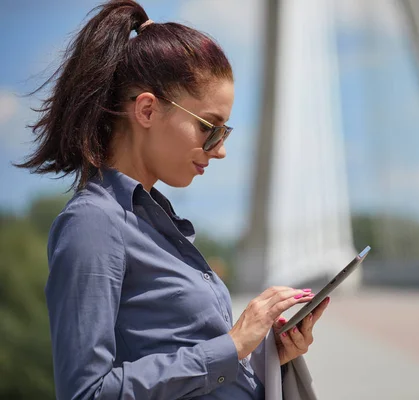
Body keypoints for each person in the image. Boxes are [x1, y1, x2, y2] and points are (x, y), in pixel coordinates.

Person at [15, 1, 329, 399]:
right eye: (210, 128)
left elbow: (183, 364)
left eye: (224, 133)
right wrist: (231, 346)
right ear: (147, 109)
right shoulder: (93, 223)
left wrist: (263, 354)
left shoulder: (154, 221)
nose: (219, 150)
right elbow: (86, 392)